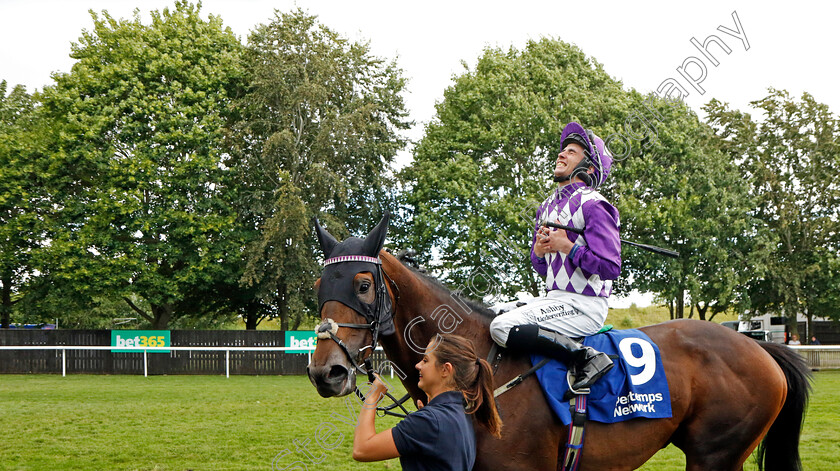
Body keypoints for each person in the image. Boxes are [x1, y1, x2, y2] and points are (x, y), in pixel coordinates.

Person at [490, 121, 621, 390]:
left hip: (585, 305)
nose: (561, 154)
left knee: (500, 327)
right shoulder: (547, 206)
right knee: (486, 315)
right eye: (563, 150)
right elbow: (547, 270)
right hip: (554, 299)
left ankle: (586, 358)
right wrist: (538, 253)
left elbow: (610, 267)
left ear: (589, 168)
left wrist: (568, 247)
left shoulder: (596, 204)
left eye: (572, 152)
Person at [352, 334, 502, 471]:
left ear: (445, 369)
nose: (418, 365)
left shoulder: (429, 421)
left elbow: (362, 449)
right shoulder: (461, 413)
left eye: (425, 360)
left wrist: (372, 398)